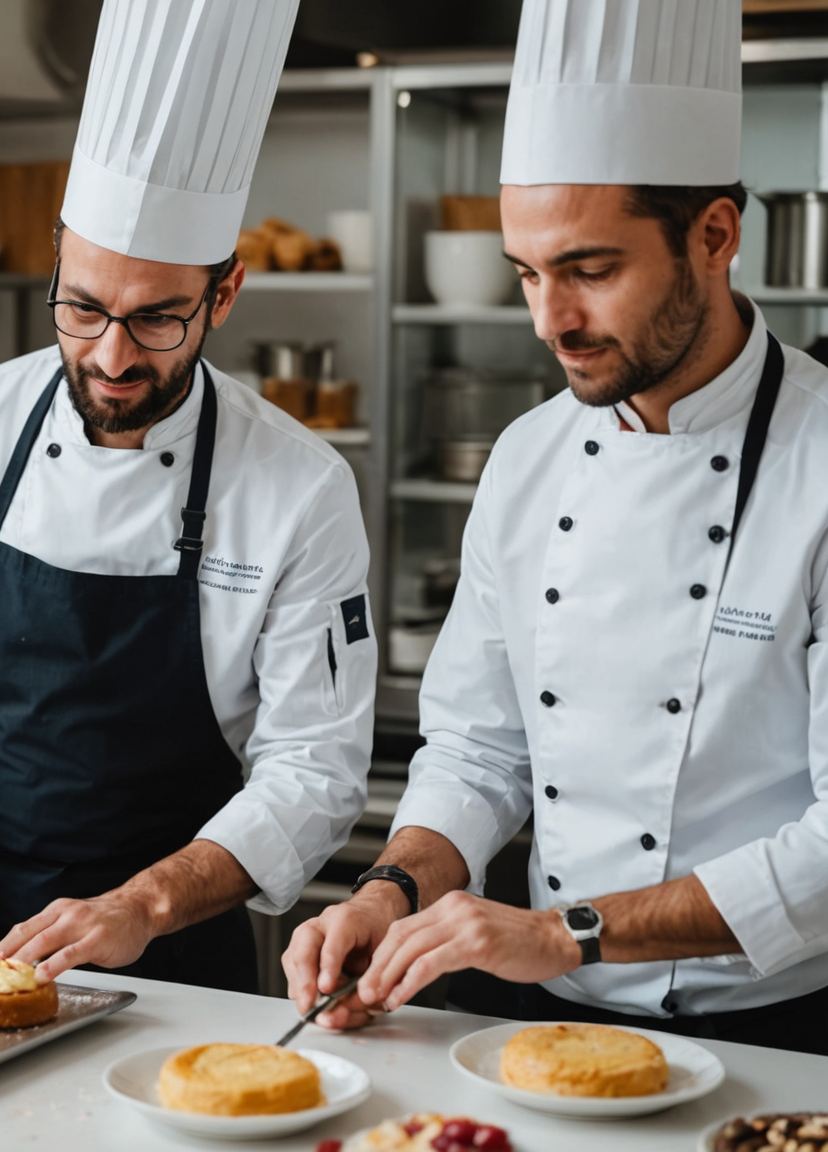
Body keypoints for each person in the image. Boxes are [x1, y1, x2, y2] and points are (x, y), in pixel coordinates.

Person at [282, 0, 828, 1056]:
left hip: (789, 1037)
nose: (549, 322)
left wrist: (565, 931)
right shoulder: (531, 456)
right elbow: (480, 750)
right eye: (528, 273)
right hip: (538, 1020)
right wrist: (393, 888)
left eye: (589, 270)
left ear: (716, 237)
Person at [0, 0, 376, 988]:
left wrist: (143, 905)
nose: (111, 356)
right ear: (55, 265)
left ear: (223, 297)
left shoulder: (300, 487)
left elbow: (314, 771)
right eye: (83, 307)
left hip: (177, 959)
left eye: (157, 320)